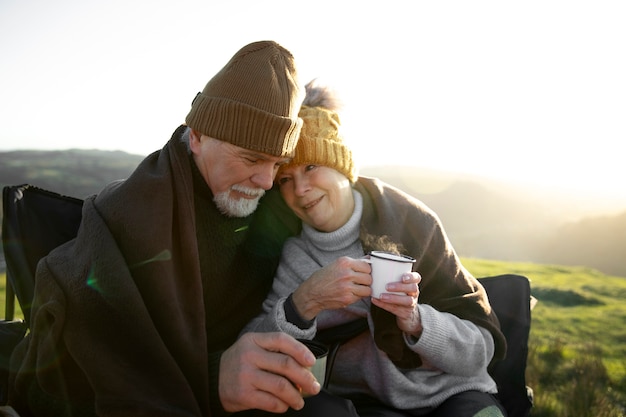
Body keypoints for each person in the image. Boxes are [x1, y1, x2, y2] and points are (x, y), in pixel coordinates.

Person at [7, 42, 358, 417]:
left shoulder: (271, 196)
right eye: (252, 158)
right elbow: (63, 377)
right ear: (197, 137)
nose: (267, 181)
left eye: (277, 163)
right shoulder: (128, 217)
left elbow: (342, 195)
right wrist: (211, 378)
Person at [242, 80, 509, 417]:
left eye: (311, 167)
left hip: (449, 395)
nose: (301, 189)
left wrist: (416, 321)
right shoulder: (296, 255)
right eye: (285, 179)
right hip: (355, 404)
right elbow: (254, 346)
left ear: (342, 166)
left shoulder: (413, 223)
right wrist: (304, 301)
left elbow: (480, 351)